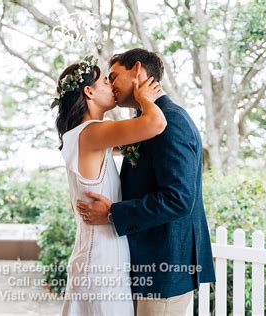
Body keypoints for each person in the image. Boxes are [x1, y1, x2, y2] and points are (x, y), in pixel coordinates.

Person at [76, 48, 216, 315]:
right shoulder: (148, 121)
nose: (111, 84)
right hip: (148, 261)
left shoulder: (171, 122)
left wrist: (112, 214)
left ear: (137, 70)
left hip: (165, 265)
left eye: (114, 76)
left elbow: (179, 199)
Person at [53, 55, 167, 316]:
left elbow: (133, 144)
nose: (112, 86)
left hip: (99, 255)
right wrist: (144, 99)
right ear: (89, 91)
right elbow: (157, 124)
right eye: (106, 81)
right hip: (101, 261)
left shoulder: (85, 136)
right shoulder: (92, 132)